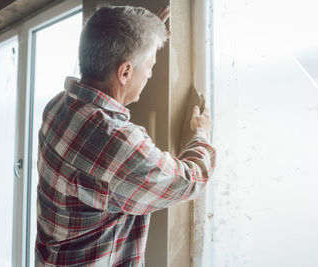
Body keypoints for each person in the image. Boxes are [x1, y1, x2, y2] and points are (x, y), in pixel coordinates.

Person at [35, 5, 216, 266]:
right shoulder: (117, 144)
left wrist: (145, 34)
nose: (151, 73)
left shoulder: (57, 106)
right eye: (151, 65)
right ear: (125, 72)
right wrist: (201, 132)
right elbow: (189, 180)